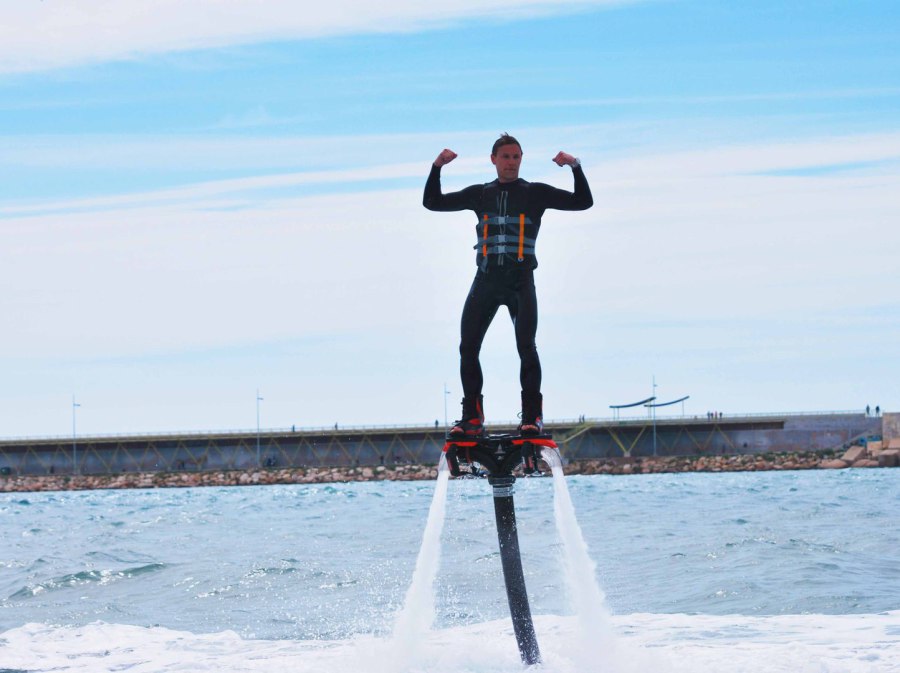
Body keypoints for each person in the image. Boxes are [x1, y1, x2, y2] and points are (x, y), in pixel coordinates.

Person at [424, 133, 593, 437]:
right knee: (468, 347)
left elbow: (583, 202)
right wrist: (437, 166)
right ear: (493, 160)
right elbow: (432, 202)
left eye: (516, 157)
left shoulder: (535, 193)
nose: (511, 162)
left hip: (520, 283)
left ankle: (532, 418)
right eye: (505, 157)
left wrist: (575, 166)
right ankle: (472, 418)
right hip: (487, 281)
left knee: (526, 347)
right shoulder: (480, 194)